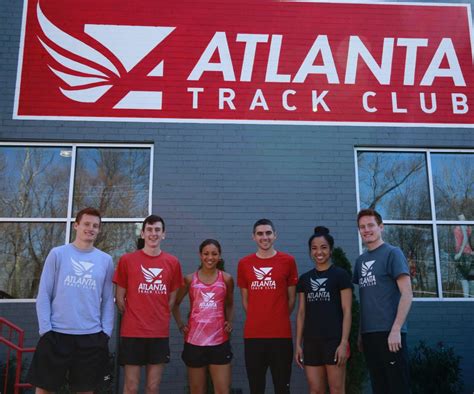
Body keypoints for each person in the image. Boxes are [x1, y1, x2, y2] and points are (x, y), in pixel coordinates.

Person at [27, 207, 115, 394]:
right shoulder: (58, 254)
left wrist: (106, 332)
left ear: (99, 229)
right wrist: (46, 330)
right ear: (76, 225)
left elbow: (108, 300)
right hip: (56, 335)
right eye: (86, 224)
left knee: (85, 390)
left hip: (91, 338)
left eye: (95, 226)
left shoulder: (105, 260)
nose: (90, 228)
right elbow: (43, 295)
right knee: (44, 390)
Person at [113, 214, 184, 394]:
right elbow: (120, 298)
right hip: (132, 332)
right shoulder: (127, 260)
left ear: (163, 234)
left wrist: (158, 316)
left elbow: (172, 299)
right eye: (150, 230)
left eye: (157, 230)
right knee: (131, 386)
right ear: (142, 234)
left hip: (158, 333)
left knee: (153, 387)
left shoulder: (173, 262)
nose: (153, 234)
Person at [353, 209, 413, 394]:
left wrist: (396, 330)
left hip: (391, 334)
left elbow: (407, 294)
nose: (366, 230)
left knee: (397, 387)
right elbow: (366, 299)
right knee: (379, 387)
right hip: (370, 335)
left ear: (381, 227)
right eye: (362, 227)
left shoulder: (392, 253)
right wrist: (361, 333)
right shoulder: (360, 260)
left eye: (370, 225)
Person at [237, 218, 298, 394]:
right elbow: (245, 301)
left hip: (281, 336)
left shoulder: (288, 261)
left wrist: (277, 318)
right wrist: (259, 318)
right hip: (254, 336)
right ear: (253, 237)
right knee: (256, 388)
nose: (265, 237)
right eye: (260, 234)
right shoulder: (244, 264)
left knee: (282, 387)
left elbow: (291, 299)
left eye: (268, 233)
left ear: (275, 235)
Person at [173, 239, 234, 394]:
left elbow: (230, 304)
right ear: (200, 255)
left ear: (219, 256)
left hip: (219, 341)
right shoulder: (189, 279)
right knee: (197, 390)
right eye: (206, 253)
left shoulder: (226, 279)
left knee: (222, 390)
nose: (210, 257)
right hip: (194, 342)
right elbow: (175, 303)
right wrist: (181, 324)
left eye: (214, 254)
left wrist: (229, 321)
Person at [295, 226, 352, 394]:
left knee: (336, 389)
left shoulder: (340, 275)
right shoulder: (305, 279)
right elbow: (301, 313)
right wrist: (298, 344)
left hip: (334, 342)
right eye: (314, 248)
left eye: (323, 247)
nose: (319, 252)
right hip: (311, 342)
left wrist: (343, 343)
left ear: (331, 250)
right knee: (315, 389)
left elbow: (347, 310)